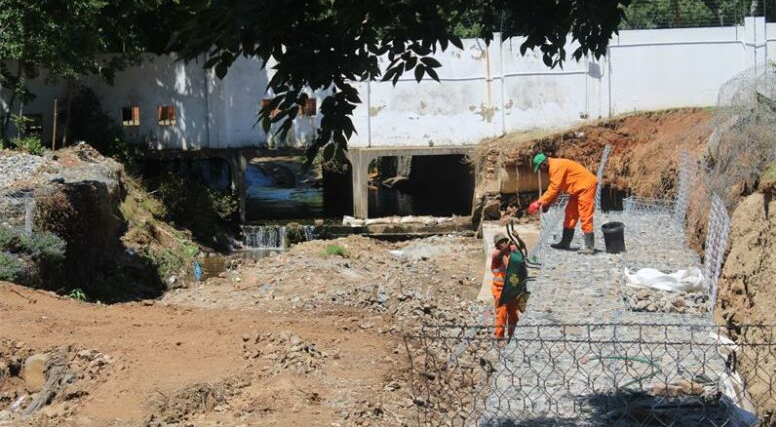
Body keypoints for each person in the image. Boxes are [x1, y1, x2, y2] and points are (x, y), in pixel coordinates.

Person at [528, 153, 597, 255]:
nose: (540, 171)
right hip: (576, 189)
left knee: (585, 214)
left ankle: (589, 247)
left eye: (539, 168)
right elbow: (558, 189)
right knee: (570, 214)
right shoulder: (554, 167)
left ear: (543, 164)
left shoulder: (555, 167)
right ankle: (565, 242)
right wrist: (548, 203)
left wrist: (539, 203)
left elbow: (554, 188)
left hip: (586, 187)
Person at [490, 233, 528, 339]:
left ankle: (512, 334)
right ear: (497, 245)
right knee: (501, 312)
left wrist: (517, 237)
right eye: (501, 242)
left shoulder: (511, 252)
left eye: (505, 241)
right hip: (499, 288)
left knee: (513, 312)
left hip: (510, 287)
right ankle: (499, 336)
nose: (504, 243)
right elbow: (500, 253)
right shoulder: (497, 255)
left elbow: (522, 246)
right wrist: (508, 245)